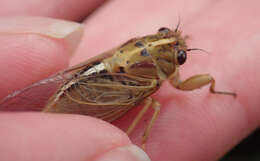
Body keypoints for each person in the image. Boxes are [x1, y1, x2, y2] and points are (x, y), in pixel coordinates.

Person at [0, 1, 259, 161]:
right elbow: (177, 86)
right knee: (153, 106)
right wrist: (142, 143)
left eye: (179, 55)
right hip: (95, 92)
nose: (179, 50)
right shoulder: (155, 80)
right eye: (180, 56)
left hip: (89, 75)